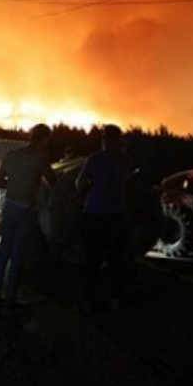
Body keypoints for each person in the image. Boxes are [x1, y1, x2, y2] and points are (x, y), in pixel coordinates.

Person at [0, 124, 56, 316]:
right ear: (46, 139)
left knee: (3, 251)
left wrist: (16, 183)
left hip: (9, 207)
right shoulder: (40, 157)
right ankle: (11, 300)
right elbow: (52, 181)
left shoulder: (12, 155)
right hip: (27, 209)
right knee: (18, 255)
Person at [75, 124, 132, 313]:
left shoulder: (94, 159)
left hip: (94, 215)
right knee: (115, 260)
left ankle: (87, 301)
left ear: (105, 139)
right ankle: (115, 298)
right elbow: (127, 181)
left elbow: (79, 184)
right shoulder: (125, 161)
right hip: (116, 215)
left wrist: (90, 187)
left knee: (91, 259)